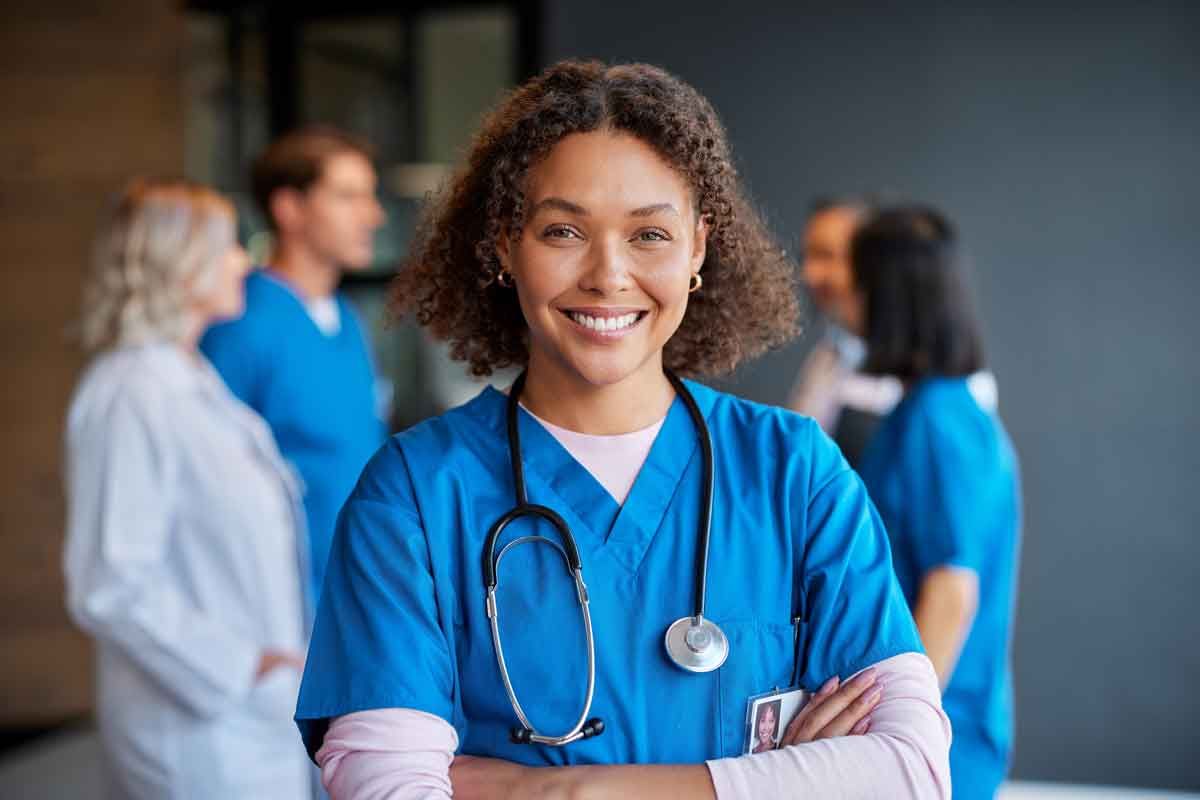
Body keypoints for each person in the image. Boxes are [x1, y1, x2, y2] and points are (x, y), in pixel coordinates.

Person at [296, 61, 951, 799]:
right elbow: (388, 790)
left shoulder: (794, 472)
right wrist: (773, 782)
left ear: (698, 248)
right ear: (506, 245)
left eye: (649, 234)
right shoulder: (415, 494)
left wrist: (557, 789)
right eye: (563, 230)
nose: (608, 275)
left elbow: (909, 772)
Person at [63, 179, 312, 799]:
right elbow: (109, 583)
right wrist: (241, 662)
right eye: (226, 245)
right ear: (177, 262)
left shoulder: (190, 377)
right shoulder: (129, 392)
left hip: (246, 722)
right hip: (197, 731)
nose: (243, 260)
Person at [853, 207, 1021, 799]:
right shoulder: (923, 413)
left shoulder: (939, 420)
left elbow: (952, 593)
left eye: (859, 280)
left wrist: (898, 738)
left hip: (940, 753)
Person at [200, 125, 388, 606]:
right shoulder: (241, 326)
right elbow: (210, 486)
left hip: (356, 589)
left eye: (370, 196)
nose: (374, 215)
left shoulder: (347, 319)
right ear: (290, 209)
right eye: (348, 197)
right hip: (278, 611)